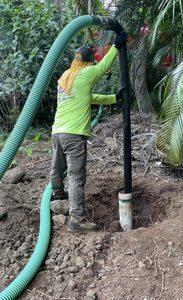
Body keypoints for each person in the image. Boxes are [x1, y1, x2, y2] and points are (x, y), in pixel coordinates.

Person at [50, 31, 127, 232]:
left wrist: (112, 98)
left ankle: (58, 195)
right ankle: (77, 220)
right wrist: (116, 47)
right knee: (76, 176)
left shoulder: (65, 78)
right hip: (74, 135)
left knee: (57, 168)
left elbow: (88, 97)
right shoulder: (86, 73)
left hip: (57, 132)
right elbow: (103, 67)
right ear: (87, 61)